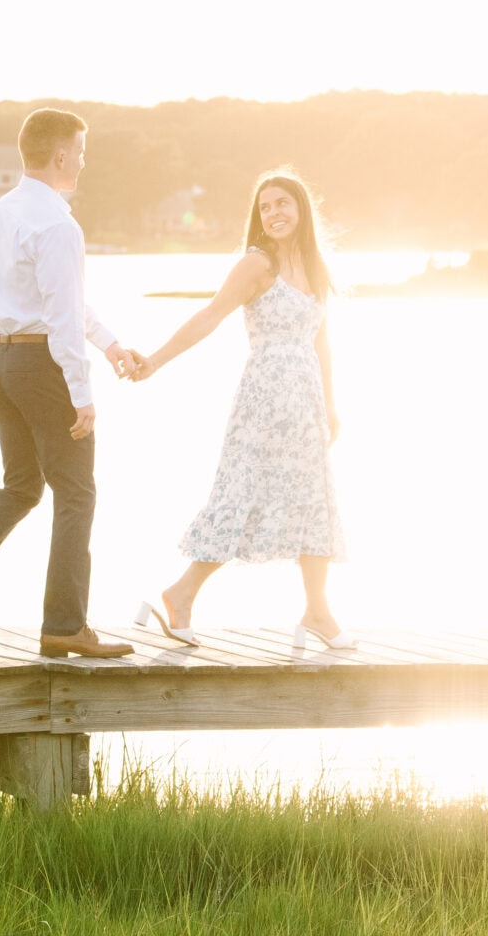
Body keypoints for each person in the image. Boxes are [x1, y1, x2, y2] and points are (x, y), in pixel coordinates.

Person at [0, 108, 141, 658]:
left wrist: (109, 342)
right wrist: (83, 397)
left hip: (0, 361)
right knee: (76, 492)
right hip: (42, 367)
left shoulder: (5, 210)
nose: (84, 160)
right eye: (81, 151)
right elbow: (61, 318)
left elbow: (55, 299)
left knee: (22, 486)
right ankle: (65, 624)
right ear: (61, 155)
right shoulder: (59, 225)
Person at [129, 170, 353, 651]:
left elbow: (323, 340)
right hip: (264, 400)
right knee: (239, 496)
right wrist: (155, 360)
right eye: (265, 207)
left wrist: (331, 404)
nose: (273, 213)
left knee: (316, 501)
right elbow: (211, 315)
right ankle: (181, 593)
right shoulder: (257, 264)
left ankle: (317, 611)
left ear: (301, 210)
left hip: (307, 401)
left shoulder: (316, 268)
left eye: (282, 204)